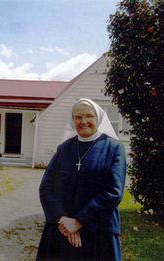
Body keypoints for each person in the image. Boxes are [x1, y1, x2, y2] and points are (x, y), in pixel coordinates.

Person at [36, 98, 126, 261]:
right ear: (73, 120)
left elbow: (114, 192)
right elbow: (46, 187)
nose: (83, 121)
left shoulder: (113, 148)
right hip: (62, 229)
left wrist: (79, 221)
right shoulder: (64, 148)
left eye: (89, 116)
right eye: (78, 117)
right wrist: (62, 219)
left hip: (99, 231)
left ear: (98, 118)